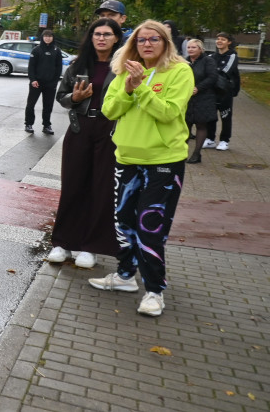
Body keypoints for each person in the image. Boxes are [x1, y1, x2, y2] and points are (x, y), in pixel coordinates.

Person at [90, 20, 192, 317]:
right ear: (134, 43)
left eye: (154, 39)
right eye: (141, 39)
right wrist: (129, 88)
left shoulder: (179, 71)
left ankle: (154, 291)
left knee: (150, 227)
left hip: (163, 161)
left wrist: (142, 91)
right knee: (123, 222)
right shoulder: (125, 70)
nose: (147, 44)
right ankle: (125, 276)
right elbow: (110, 110)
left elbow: (169, 112)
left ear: (166, 43)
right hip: (127, 158)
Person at [46, 18, 123, 270]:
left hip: (110, 130)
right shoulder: (79, 64)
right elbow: (61, 96)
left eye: (107, 34)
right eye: (97, 34)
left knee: (101, 189)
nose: (101, 38)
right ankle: (62, 242)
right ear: (91, 37)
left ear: (116, 38)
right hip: (80, 128)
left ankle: (92, 247)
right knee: (73, 184)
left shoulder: (123, 67)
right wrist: (75, 98)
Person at [203, 32, 241, 152]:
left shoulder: (232, 56)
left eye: (223, 39)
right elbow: (205, 70)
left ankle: (224, 140)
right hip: (212, 91)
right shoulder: (212, 57)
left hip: (226, 91)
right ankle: (210, 139)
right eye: (218, 39)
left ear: (229, 42)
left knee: (225, 115)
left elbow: (226, 71)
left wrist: (212, 74)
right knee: (211, 116)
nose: (219, 41)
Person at [184, 39, 217, 164]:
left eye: (194, 47)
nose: (190, 49)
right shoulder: (185, 62)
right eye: (189, 47)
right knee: (185, 125)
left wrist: (198, 88)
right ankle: (181, 153)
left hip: (204, 97)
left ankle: (196, 153)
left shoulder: (208, 60)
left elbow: (213, 77)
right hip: (188, 98)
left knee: (201, 125)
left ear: (200, 49)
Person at [24, 29, 63, 135]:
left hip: (50, 83)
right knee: (31, 104)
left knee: (48, 106)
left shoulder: (56, 50)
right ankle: (28, 124)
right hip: (36, 83)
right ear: (42, 37)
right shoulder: (36, 50)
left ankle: (46, 125)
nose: (48, 38)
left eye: (50, 36)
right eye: (46, 36)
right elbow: (31, 67)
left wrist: (55, 81)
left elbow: (59, 67)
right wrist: (33, 80)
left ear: (53, 37)